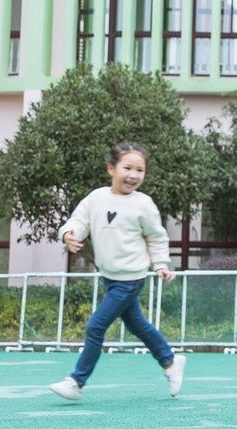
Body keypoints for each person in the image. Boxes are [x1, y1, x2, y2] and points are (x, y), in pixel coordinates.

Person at [48, 142, 182, 403]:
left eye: (140, 170)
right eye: (127, 168)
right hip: (109, 277)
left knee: (95, 326)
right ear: (111, 169)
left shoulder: (144, 204)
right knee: (137, 325)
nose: (133, 175)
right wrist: (68, 234)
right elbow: (79, 220)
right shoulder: (96, 198)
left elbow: (156, 236)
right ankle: (170, 361)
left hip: (131, 278)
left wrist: (161, 264)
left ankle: (76, 382)